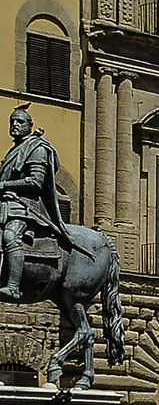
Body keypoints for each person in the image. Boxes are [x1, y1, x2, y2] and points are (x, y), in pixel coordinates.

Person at [0, 105, 72, 300]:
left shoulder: (37, 149)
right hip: (6, 203)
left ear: (30, 126)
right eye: (12, 121)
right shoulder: (14, 150)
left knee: (9, 235)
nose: (15, 125)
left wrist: (3, 184)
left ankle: (13, 286)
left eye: (20, 121)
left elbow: (35, 182)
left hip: (24, 207)